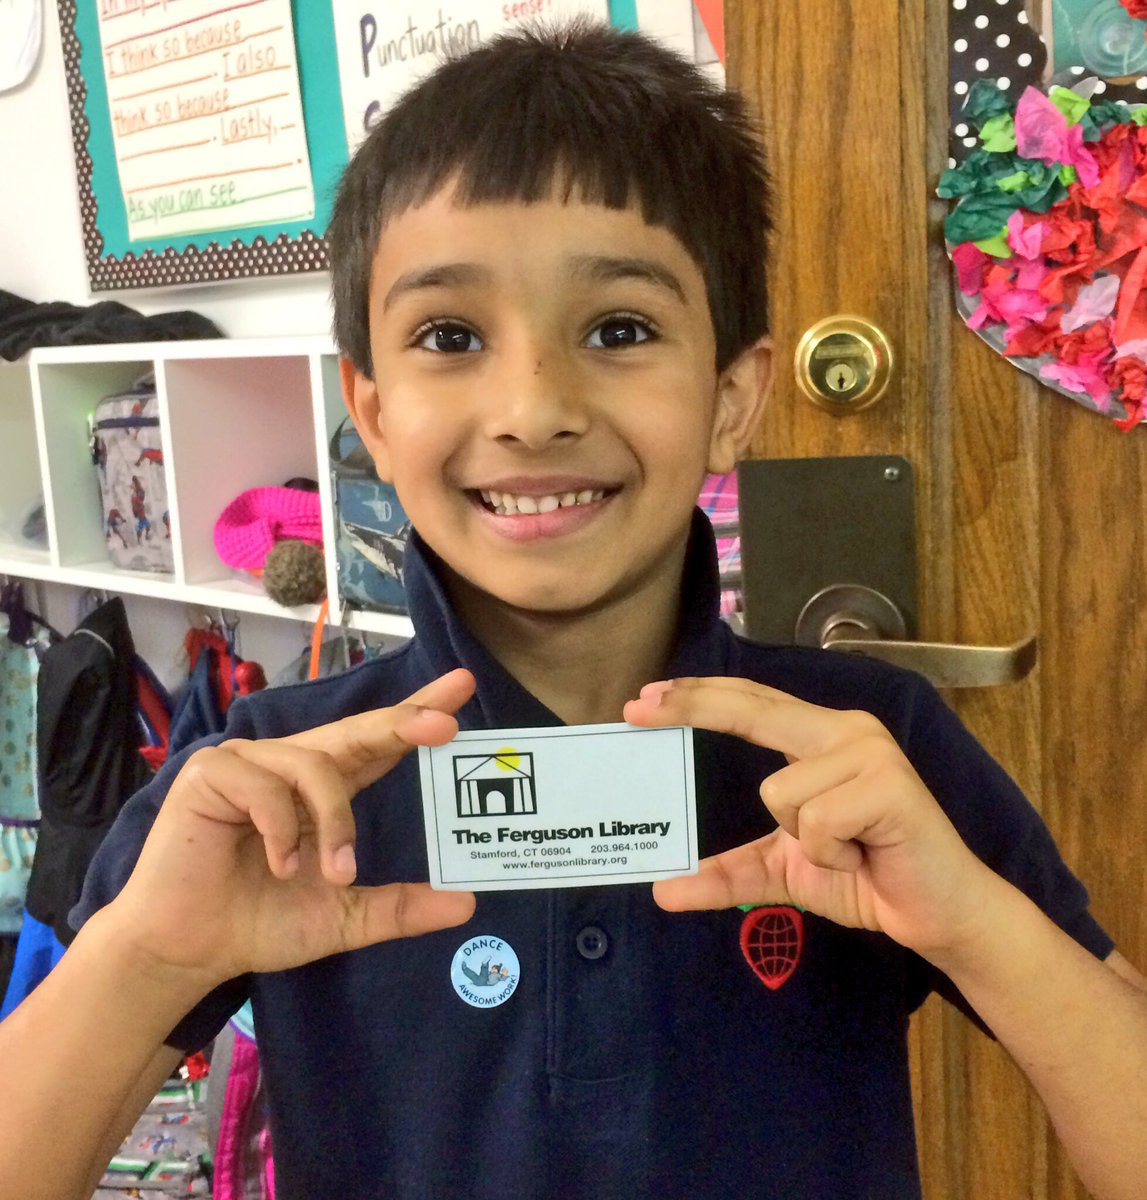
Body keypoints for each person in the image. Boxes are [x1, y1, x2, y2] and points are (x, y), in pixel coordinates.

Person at [2, 20, 1146, 1200]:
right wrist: (144, 960)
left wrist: (976, 924)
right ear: (375, 411)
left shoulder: (873, 751)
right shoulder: (263, 785)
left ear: (731, 399)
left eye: (619, 329)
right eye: (450, 337)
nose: (534, 407)